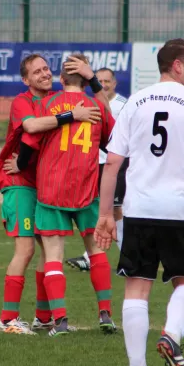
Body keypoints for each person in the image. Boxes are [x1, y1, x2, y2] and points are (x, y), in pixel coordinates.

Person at [94, 38, 184, 366]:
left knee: (136, 289)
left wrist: (106, 214)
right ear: (178, 65)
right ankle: (171, 335)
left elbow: (113, 163)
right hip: (183, 211)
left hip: (138, 210)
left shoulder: (134, 101)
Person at [5, 54, 116, 337]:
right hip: (86, 188)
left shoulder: (45, 105)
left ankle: (60, 320)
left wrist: (20, 162)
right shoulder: (97, 107)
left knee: (53, 254)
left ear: (61, 79)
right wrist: (93, 84)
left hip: (52, 189)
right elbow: (112, 137)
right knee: (97, 251)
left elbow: (29, 138)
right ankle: (105, 315)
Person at [67, 67, 128, 272]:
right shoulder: (89, 103)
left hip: (116, 166)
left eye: (107, 81)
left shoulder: (123, 106)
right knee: (100, 210)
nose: (103, 84)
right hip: (94, 165)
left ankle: (126, 259)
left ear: (115, 83)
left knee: (115, 211)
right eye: (98, 80)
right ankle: (92, 256)